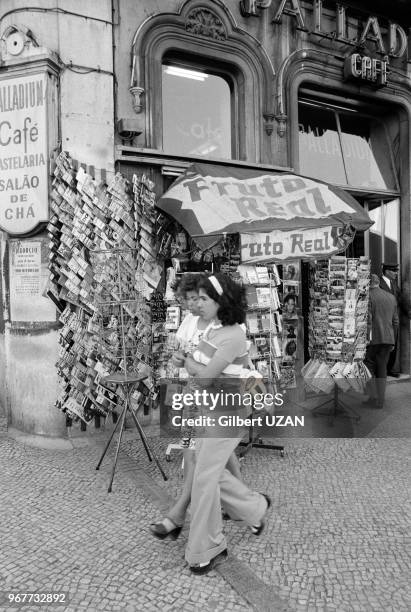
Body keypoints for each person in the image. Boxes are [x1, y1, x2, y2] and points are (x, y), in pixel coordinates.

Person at [182, 273, 271, 575]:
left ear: (221, 301)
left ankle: (206, 548)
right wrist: (193, 366)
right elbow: (196, 365)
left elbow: (202, 375)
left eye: (204, 299)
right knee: (210, 474)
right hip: (213, 411)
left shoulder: (232, 334)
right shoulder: (216, 331)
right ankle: (255, 509)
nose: (197, 304)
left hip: (229, 413)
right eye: (196, 298)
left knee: (204, 478)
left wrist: (190, 366)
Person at [150, 273, 242, 541]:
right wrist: (180, 359)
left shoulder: (225, 325)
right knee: (216, 455)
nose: (191, 304)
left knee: (196, 457)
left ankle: (177, 516)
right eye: (188, 299)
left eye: (197, 298)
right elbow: (184, 354)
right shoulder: (191, 321)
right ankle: (245, 506)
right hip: (194, 397)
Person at [363, 274, 399, 409]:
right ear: (378, 283)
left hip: (374, 339)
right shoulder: (391, 297)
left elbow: (368, 321)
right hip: (388, 339)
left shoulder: (369, 296)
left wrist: (367, 338)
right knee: (382, 368)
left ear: (369, 283)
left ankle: (373, 397)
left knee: (368, 367)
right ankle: (380, 400)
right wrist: (393, 341)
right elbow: (396, 322)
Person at [379, 262, 411, 377]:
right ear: (387, 271)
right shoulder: (379, 283)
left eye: (396, 271)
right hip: (383, 320)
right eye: (394, 271)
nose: (396, 273)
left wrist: (408, 311)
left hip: (394, 321)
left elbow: (401, 299)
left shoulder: (393, 284)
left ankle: (390, 369)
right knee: (384, 346)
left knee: (394, 344)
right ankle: (382, 370)